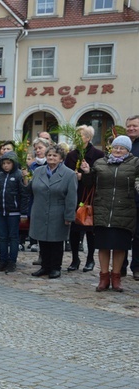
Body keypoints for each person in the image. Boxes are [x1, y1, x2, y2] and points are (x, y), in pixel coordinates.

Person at [79, 135, 139, 292]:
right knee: (104, 246)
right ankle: (104, 278)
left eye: (122, 148)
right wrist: (86, 172)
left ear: (128, 150)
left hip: (125, 211)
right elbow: (88, 184)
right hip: (102, 209)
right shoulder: (100, 163)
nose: (118, 150)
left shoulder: (135, 164)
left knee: (120, 247)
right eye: (116, 147)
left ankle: (116, 278)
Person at [27, 145, 77, 279]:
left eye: (55, 155)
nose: (51, 157)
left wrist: (69, 216)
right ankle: (45, 266)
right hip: (40, 210)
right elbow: (30, 190)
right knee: (42, 240)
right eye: (49, 155)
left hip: (58, 212)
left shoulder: (69, 174)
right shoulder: (38, 171)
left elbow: (71, 197)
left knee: (56, 242)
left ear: (61, 159)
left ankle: (55, 267)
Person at [64, 125, 103, 272]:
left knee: (89, 228)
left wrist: (85, 175)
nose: (76, 138)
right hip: (74, 195)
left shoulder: (98, 154)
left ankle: (90, 259)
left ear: (88, 138)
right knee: (74, 230)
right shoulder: (71, 155)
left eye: (79, 135)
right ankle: (75, 259)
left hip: (90, 196)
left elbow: (101, 176)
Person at [0, 151, 28, 273]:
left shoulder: (18, 175)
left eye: (8, 163)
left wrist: (23, 213)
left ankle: (12, 261)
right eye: (4, 163)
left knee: (13, 237)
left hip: (14, 212)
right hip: (0, 212)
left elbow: (24, 195)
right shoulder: (0, 176)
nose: (6, 165)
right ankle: (2, 260)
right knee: (2, 237)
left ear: (14, 163)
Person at [125, 115, 139, 281]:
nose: (131, 129)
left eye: (135, 126)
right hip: (123, 197)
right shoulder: (121, 144)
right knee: (123, 234)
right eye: (129, 126)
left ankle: (136, 266)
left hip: (137, 198)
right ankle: (119, 268)